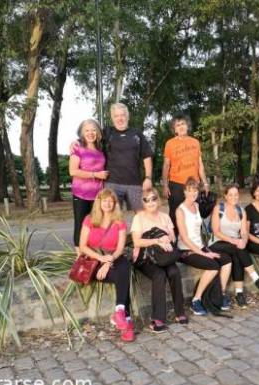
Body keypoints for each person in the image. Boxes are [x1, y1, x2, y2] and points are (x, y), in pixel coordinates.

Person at [79, 188, 134, 342]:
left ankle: (120, 313)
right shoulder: (89, 219)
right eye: (105, 200)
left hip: (114, 257)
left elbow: (120, 249)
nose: (108, 203)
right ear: (99, 202)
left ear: (115, 203)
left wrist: (108, 262)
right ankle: (126, 321)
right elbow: (83, 246)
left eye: (111, 201)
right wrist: (101, 259)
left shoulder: (120, 222)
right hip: (93, 259)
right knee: (122, 278)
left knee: (124, 268)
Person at [131, 188, 187, 332]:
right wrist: (157, 240)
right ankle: (158, 319)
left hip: (163, 256)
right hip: (145, 258)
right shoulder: (139, 218)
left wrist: (167, 238)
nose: (150, 202)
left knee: (174, 271)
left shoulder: (165, 217)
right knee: (159, 275)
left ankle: (179, 311)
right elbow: (137, 242)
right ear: (143, 203)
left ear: (158, 200)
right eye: (146, 200)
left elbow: (173, 237)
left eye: (153, 198)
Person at [176, 178, 232, 314]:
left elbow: (199, 230)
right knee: (213, 266)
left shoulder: (196, 206)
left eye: (195, 190)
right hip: (186, 250)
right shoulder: (180, 210)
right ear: (184, 192)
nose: (193, 193)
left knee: (226, 259)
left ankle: (220, 295)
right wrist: (204, 253)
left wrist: (206, 249)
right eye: (189, 191)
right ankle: (196, 299)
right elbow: (184, 237)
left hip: (200, 247)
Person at [209, 184, 259, 309]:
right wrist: (235, 241)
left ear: (239, 196)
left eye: (236, 194)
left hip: (234, 245)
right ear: (225, 196)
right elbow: (216, 231)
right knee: (238, 248)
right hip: (217, 242)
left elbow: (243, 232)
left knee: (237, 257)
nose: (233, 197)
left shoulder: (241, 211)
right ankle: (255, 277)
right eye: (230, 194)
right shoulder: (218, 208)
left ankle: (239, 293)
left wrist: (243, 240)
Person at [162, 114, 210, 230]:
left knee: (194, 213)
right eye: (177, 125)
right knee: (175, 214)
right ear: (174, 129)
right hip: (176, 184)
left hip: (194, 185)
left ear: (187, 126)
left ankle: (195, 240)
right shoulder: (170, 143)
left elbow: (200, 164)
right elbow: (166, 165)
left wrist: (205, 182)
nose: (181, 127)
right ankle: (174, 241)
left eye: (183, 124)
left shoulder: (195, 142)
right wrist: (165, 185)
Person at [69, 119, 108, 254]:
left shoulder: (101, 148)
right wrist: (96, 174)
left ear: (98, 132)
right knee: (80, 224)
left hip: (98, 196)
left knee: (95, 225)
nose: (90, 133)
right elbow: (73, 171)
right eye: (87, 130)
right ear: (82, 133)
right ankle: (80, 258)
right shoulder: (77, 147)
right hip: (81, 194)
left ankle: (93, 254)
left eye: (93, 130)